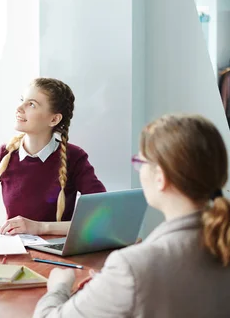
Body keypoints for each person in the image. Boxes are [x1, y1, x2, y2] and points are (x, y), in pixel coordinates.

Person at [34, 114, 230, 318]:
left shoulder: (134, 267)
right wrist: (114, 284)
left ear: (160, 178)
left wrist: (59, 288)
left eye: (140, 162)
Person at [0, 78, 105, 236]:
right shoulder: (4, 154)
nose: (20, 108)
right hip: (14, 250)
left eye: (32, 104)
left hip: (56, 254)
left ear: (54, 119)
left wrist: (41, 228)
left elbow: (102, 217)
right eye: (22, 100)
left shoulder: (74, 157)